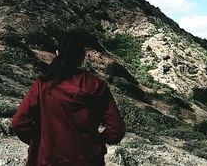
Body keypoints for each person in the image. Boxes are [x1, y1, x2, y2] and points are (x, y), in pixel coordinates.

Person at [11, 29, 126, 166]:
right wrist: (97, 141)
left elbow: (19, 123)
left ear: (57, 53)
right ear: (82, 56)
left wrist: (41, 142)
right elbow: (116, 130)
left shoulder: (43, 85)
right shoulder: (96, 85)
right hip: (88, 160)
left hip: (48, 160)